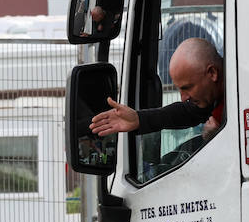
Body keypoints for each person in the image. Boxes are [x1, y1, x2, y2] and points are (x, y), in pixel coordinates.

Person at [89, 37, 226, 143]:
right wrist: (138, 119)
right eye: (179, 89)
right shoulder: (215, 96)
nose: (183, 98)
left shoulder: (241, 97)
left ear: (212, 73)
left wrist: (219, 138)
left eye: (187, 88)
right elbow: (187, 112)